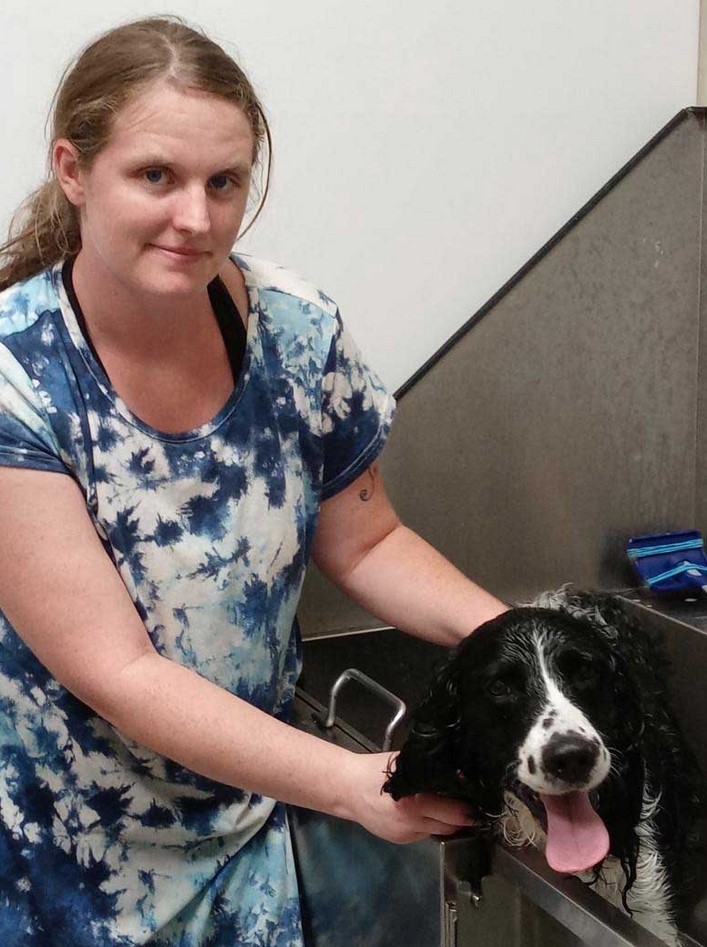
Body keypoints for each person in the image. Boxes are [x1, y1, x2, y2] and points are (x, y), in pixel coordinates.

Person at [0, 15, 508, 946]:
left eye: (223, 182)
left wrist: (515, 639)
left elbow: (368, 540)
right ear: (73, 171)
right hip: (64, 867)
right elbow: (120, 673)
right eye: (156, 175)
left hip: (247, 827)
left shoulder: (294, 331)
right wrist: (356, 783)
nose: (196, 219)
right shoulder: (16, 378)